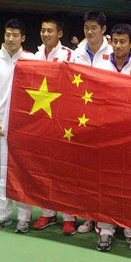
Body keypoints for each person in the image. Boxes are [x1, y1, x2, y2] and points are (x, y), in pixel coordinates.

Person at [91, 23, 131, 252]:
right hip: (106, 134)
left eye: (123, 41)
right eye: (115, 41)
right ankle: (105, 230)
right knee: (105, 184)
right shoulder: (100, 66)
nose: (119, 45)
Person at [0, 19, 36, 233]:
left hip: (23, 127)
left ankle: (24, 217)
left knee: (23, 172)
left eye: (15, 35)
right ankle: (2, 215)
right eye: (7, 34)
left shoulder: (32, 60)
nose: (10, 39)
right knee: (0, 174)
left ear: (23, 38)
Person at [32, 17, 77, 235]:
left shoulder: (70, 55)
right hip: (42, 118)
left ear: (59, 34)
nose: (45, 34)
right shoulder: (35, 56)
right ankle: (47, 213)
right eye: (43, 30)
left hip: (63, 120)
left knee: (64, 170)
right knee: (43, 168)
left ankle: (68, 216)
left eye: (50, 30)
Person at [71, 10, 114, 235]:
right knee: (85, 173)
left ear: (103, 30)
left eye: (94, 28)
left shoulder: (114, 52)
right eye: (86, 28)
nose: (89, 32)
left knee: (105, 174)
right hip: (82, 119)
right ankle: (88, 217)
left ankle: (105, 220)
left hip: (107, 120)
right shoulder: (76, 54)